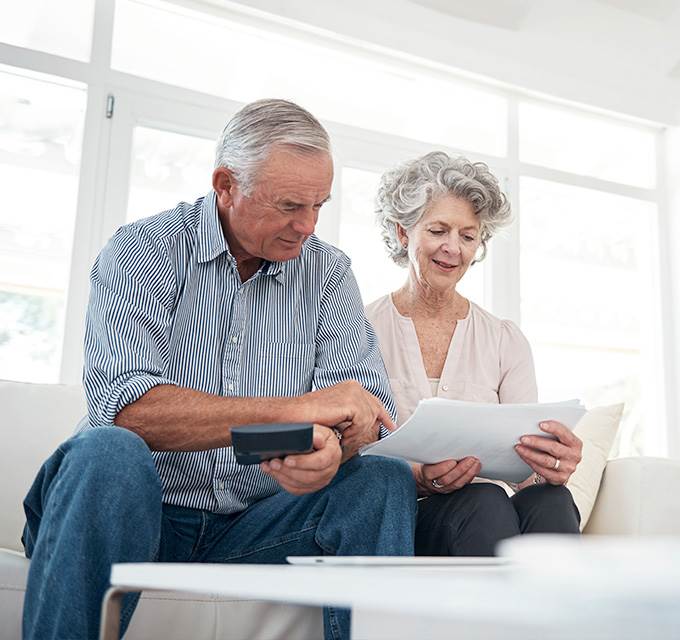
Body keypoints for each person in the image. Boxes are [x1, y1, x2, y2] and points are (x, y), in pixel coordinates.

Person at [21, 99, 416, 640]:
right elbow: (130, 413)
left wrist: (330, 449)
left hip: (253, 525)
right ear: (226, 185)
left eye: (319, 205)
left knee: (381, 480)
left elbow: (368, 410)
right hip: (134, 509)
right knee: (109, 451)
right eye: (289, 205)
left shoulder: (328, 271)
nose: (307, 225)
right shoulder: (145, 248)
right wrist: (299, 411)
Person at [366, 151, 582, 557]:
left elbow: (523, 472)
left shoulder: (504, 339)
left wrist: (550, 465)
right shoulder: (360, 329)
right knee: (485, 502)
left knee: (551, 500)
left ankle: (556, 621)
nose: (453, 248)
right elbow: (349, 454)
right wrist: (418, 477)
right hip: (406, 515)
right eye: (438, 230)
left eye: (468, 236)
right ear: (402, 232)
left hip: (486, 513)